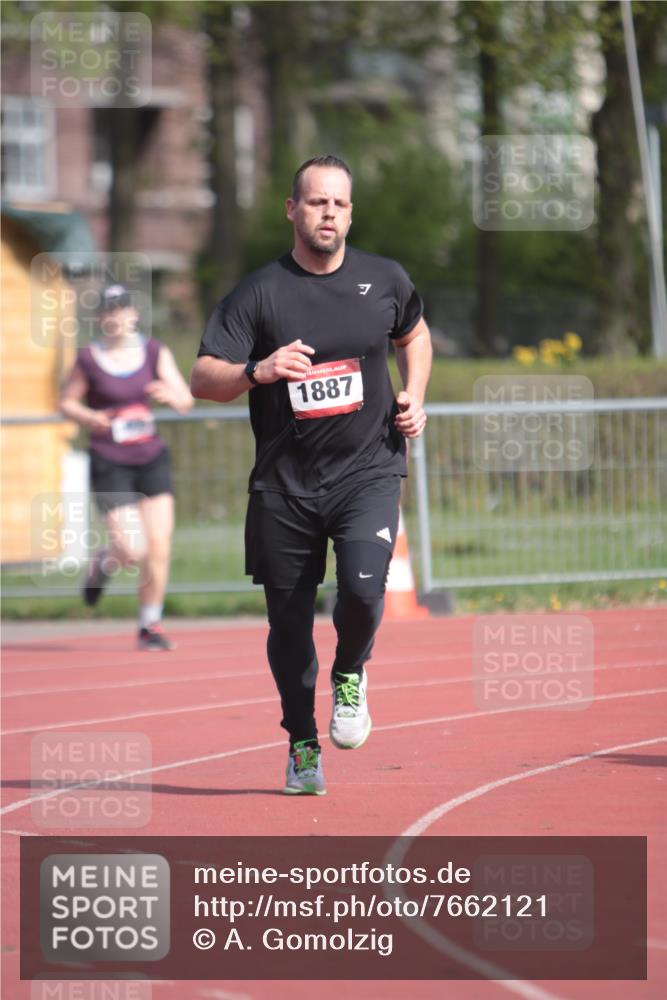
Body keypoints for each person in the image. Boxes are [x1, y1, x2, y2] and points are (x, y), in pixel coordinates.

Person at [191, 154, 432, 794]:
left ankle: (350, 672)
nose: (330, 213)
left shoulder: (384, 279)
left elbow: (415, 334)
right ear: (292, 210)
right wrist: (257, 371)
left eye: (340, 204)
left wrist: (417, 395)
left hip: (368, 472)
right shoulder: (258, 293)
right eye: (317, 202)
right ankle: (301, 742)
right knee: (290, 628)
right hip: (284, 487)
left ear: (351, 212)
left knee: (360, 591)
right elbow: (201, 376)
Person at [59, 284, 193, 650]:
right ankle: (104, 563)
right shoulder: (88, 358)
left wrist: (172, 396)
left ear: (134, 314)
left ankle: (150, 625)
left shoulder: (153, 352)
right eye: (108, 311)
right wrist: (91, 417)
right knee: (131, 549)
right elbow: (67, 402)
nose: (115, 317)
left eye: (121, 310)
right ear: (100, 318)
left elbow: (186, 399)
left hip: (150, 457)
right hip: (109, 460)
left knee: (159, 545)